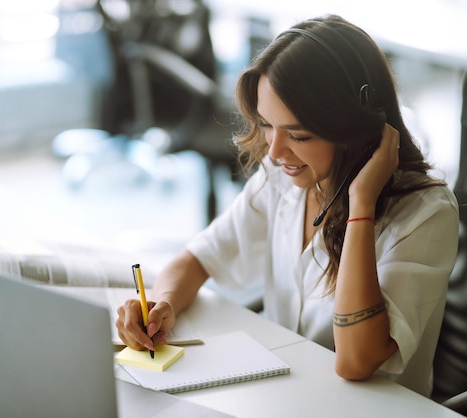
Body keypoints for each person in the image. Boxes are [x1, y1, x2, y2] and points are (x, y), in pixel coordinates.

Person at [115, 14, 459, 397]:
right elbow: (198, 258)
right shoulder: (284, 177)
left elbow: (355, 361)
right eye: (266, 125)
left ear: (358, 129)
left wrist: (361, 205)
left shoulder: (426, 213)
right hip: (283, 395)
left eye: (298, 134)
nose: (276, 151)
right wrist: (162, 306)